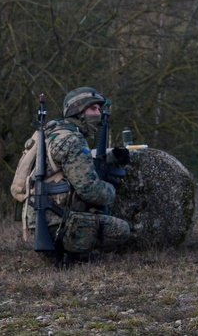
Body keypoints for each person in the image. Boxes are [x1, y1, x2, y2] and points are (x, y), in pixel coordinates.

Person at [26, 87, 133, 266]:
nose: (98, 113)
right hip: (56, 224)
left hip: (38, 220)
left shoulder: (50, 134)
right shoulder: (73, 141)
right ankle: (76, 255)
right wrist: (112, 189)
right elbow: (90, 191)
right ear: (78, 111)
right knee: (121, 230)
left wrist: (110, 156)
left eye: (99, 109)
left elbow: (70, 164)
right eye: (93, 109)